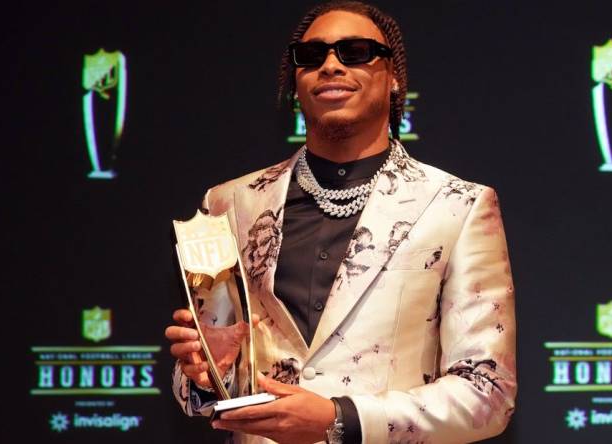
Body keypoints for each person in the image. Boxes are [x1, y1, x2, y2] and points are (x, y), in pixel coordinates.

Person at [164, 1, 516, 443]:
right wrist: (206, 372)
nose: (330, 65)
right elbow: (210, 390)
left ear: (394, 79)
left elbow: (487, 392)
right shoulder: (230, 203)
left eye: (354, 52)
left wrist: (340, 419)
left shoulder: (457, 204)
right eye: (311, 56)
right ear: (295, 81)